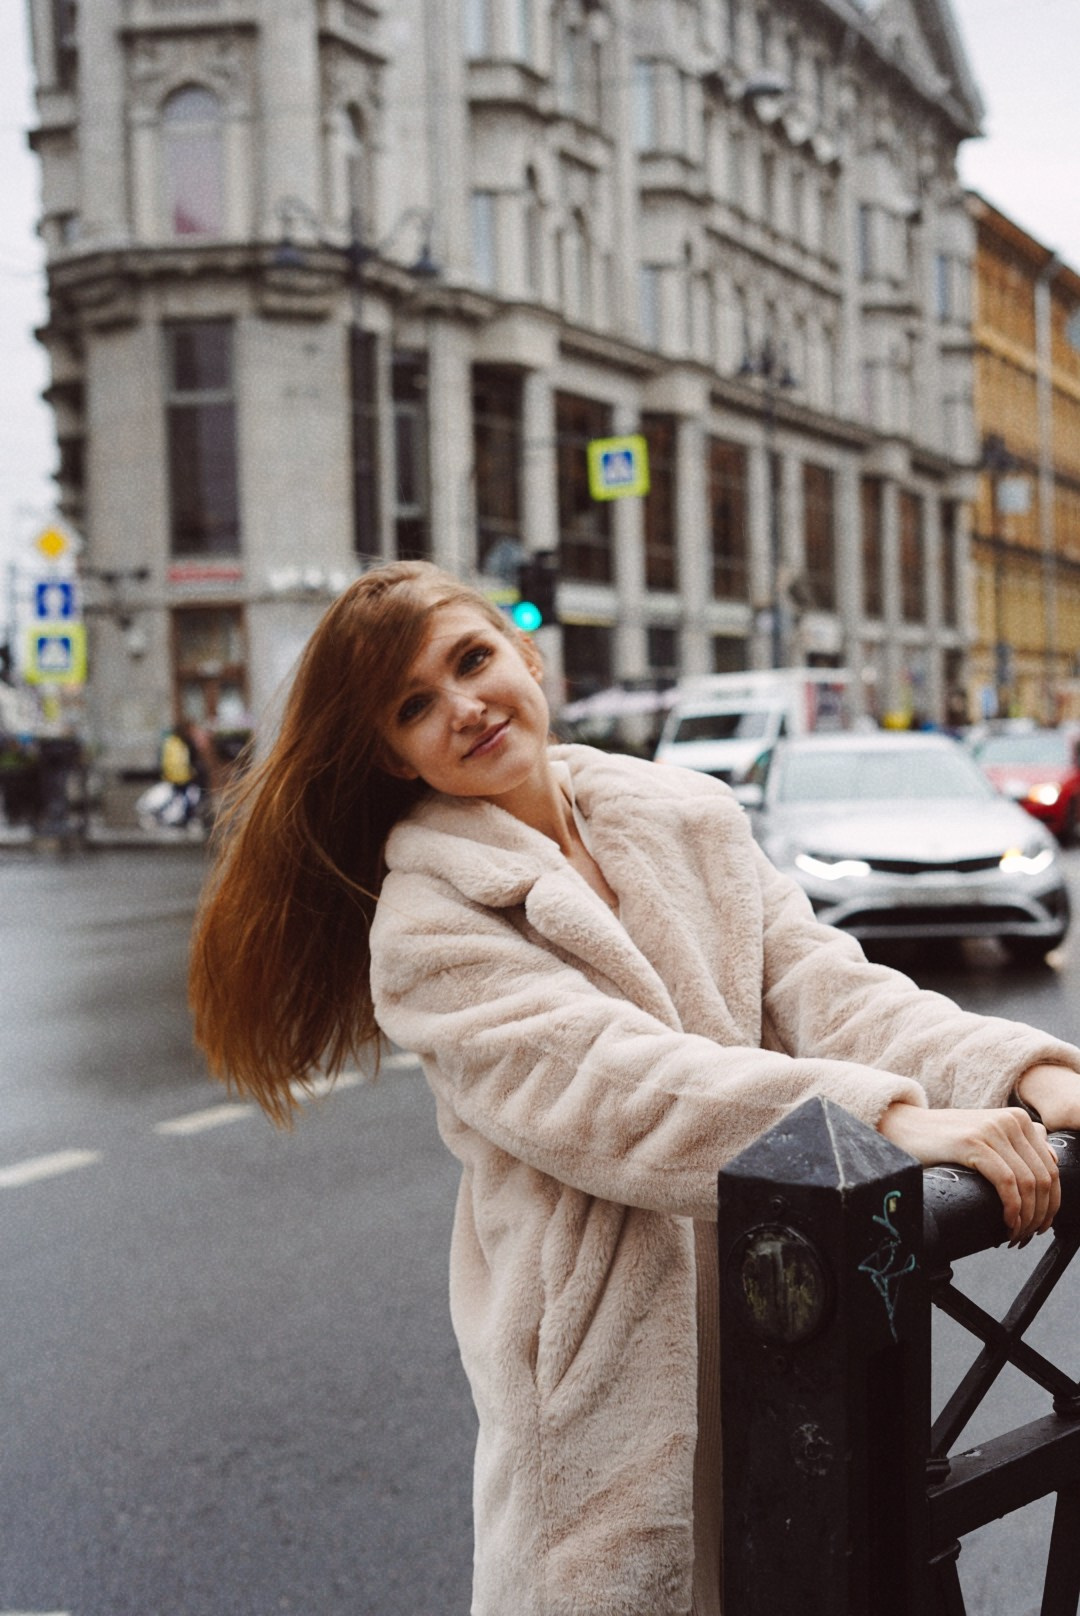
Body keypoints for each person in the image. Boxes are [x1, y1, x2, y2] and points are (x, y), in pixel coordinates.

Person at [189, 561, 1080, 1616]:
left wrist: (1025, 1070)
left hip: (791, 1321)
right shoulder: (427, 927)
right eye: (414, 706)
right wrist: (888, 1120)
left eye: (472, 660)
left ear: (527, 656)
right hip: (609, 1376)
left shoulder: (684, 815)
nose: (463, 706)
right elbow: (622, 1091)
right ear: (394, 753)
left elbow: (828, 988)